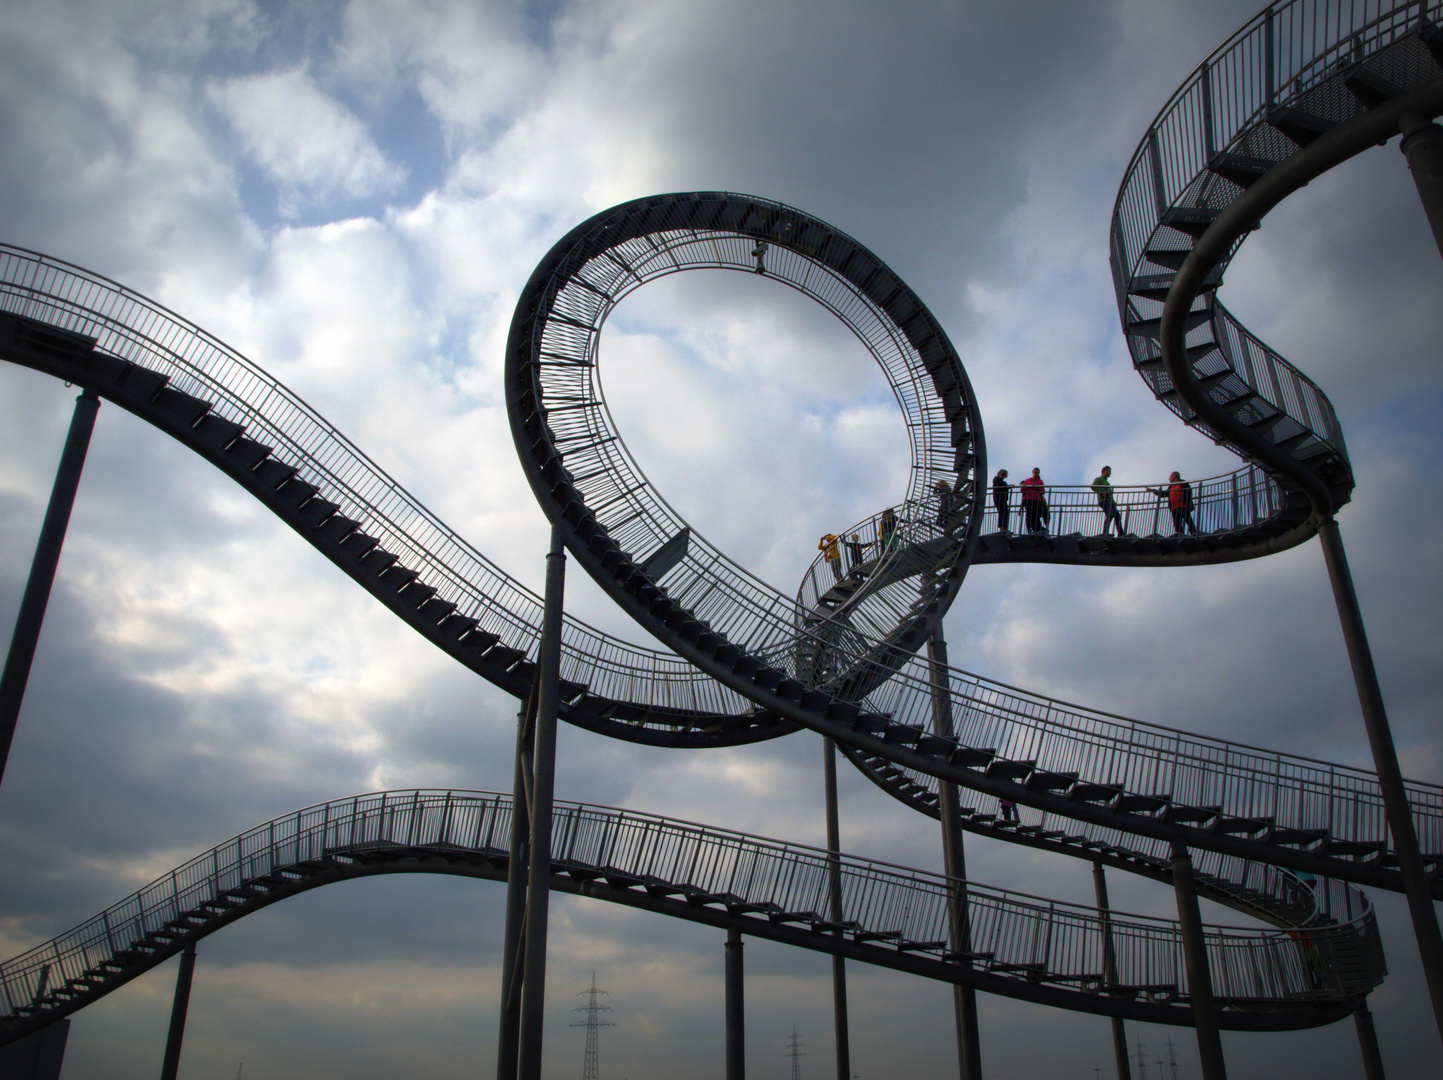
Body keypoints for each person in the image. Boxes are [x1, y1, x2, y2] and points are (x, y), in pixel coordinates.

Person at [1092, 465, 1125, 537]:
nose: (1110, 473)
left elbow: (1109, 494)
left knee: (1117, 515)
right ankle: (1105, 532)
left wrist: (1113, 502)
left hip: (1110, 501)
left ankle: (1121, 533)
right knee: (1110, 514)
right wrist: (1102, 492)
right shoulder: (1099, 479)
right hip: (1103, 500)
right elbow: (1093, 486)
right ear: (1104, 471)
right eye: (1109, 471)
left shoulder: (1107, 483)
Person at [1020, 467, 1046, 534]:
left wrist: (1037, 487)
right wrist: (1024, 486)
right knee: (1028, 515)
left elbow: (1043, 491)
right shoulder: (1027, 480)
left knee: (1036, 515)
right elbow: (1022, 491)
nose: (1035, 473)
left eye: (1037, 472)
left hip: (1036, 500)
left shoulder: (1040, 481)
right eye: (1034, 472)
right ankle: (1029, 529)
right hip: (1028, 499)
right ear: (1032, 472)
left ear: (1038, 473)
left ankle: (1037, 529)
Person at [992, 469, 1011, 534]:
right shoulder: (997, 480)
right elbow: (1001, 487)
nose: (1005, 476)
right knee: (1002, 514)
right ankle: (1002, 529)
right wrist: (1008, 486)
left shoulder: (999, 481)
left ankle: (1004, 528)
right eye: (1004, 474)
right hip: (999, 499)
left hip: (1001, 499)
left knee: (1004, 513)